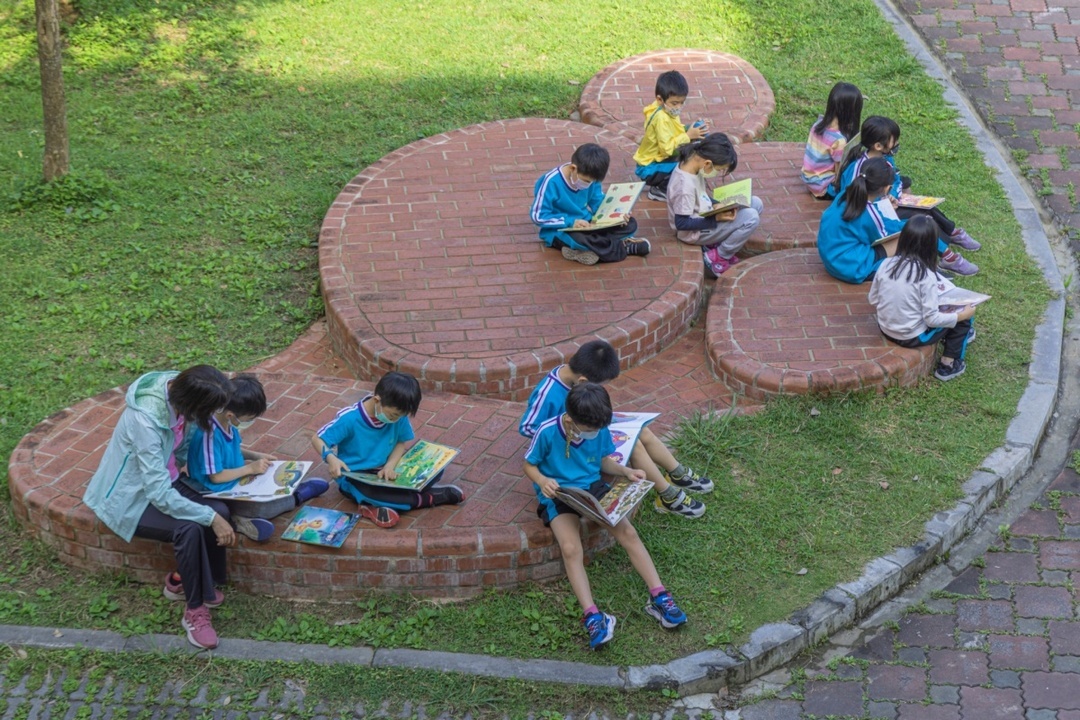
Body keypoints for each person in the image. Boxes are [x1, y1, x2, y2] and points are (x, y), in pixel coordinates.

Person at [83, 365, 253, 650]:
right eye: (211, 411)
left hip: (167, 480)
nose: (215, 415)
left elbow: (182, 453)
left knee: (221, 510)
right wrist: (209, 516)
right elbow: (158, 494)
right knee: (190, 528)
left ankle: (187, 581)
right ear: (193, 406)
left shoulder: (185, 388)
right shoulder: (145, 422)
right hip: (131, 499)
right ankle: (194, 612)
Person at [523, 383, 689, 650]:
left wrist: (625, 472)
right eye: (590, 430)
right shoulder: (547, 431)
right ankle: (592, 615)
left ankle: (659, 596)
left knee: (628, 533)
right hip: (559, 495)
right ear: (571, 420)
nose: (595, 433)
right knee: (570, 548)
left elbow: (603, 460)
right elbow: (529, 464)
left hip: (593, 488)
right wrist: (543, 481)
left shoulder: (599, 428)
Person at [519, 339, 709, 518]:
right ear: (583, 381)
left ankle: (677, 473)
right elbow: (527, 427)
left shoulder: (573, 377)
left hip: (589, 434)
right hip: (573, 447)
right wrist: (564, 431)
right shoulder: (548, 393)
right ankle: (668, 496)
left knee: (641, 430)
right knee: (635, 444)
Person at [311, 371, 465, 529]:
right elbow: (318, 439)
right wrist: (331, 458)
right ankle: (428, 498)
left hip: (388, 471)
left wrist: (390, 466)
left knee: (435, 467)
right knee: (369, 492)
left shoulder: (399, 415)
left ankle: (379, 504)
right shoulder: (349, 419)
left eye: (401, 416)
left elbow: (400, 442)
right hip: (356, 477)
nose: (396, 420)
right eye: (393, 416)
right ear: (377, 400)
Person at [185, 373, 329, 521]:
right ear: (230, 415)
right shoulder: (209, 435)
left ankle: (286, 493)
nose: (250, 422)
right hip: (217, 491)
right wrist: (249, 469)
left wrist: (254, 456)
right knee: (264, 509)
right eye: (248, 419)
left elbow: (229, 452)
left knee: (267, 482)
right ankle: (297, 496)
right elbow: (216, 476)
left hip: (236, 479)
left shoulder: (226, 422)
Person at [833, 116, 982, 257]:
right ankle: (945, 252)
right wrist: (883, 203)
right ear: (878, 146)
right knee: (920, 218)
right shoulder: (858, 170)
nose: (897, 143)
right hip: (877, 211)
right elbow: (854, 199)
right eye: (894, 140)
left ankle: (952, 232)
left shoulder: (886, 159)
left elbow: (896, 180)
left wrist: (893, 195)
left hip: (889, 202)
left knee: (928, 207)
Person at [869, 215, 976, 382]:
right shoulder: (926, 276)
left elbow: (873, 299)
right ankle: (948, 365)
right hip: (911, 336)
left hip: (885, 328)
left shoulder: (886, 264)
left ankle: (954, 338)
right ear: (931, 245)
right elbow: (932, 319)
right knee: (964, 318)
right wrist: (960, 316)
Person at [530, 143, 649, 266]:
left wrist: (618, 214)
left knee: (630, 224)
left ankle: (592, 249)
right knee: (580, 239)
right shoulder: (550, 182)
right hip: (561, 230)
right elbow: (538, 216)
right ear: (573, 168)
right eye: (586, 181)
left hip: (589, 224)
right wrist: (571, 222)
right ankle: (623, 247)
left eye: (592, 182)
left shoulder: (592, 178)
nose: (589, 184)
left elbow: (598, 202)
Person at [667, 134, 763, 276]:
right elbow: (681, 224)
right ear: (707, 164)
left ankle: (715, 243)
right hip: (694, 233)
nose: (717, 173)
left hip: (705, 214)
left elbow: (700, 196)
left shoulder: (694, 159)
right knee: (751, 217)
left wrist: (717, 204)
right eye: (719, 169)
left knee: (755, 203)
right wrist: (715, 219)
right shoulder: (684, 187)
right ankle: (718, 257)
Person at [817, 157, 905, 284]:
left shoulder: (847, 193)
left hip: (831, 259)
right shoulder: (869, 213)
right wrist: (909, 224)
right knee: (905, 239)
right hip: (851, 267)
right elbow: (886, 235)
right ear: (886, 189)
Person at [633, 70, 709, 202]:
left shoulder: (665, 109)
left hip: (657, 161)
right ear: (660, 99)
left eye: (682, 102)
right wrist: (688, 136)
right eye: (675, 103)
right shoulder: (661, 118)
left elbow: (674, 130)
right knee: (688, 165)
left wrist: (692, 128)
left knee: (690, 153)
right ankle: (660, 190)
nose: (678, 107)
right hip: (649, 168)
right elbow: (666, 149)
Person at [801, 82, 863, 199]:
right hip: (823, 187)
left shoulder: (818, 124)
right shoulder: (839, 140)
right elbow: (839, 172)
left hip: (808, 178)